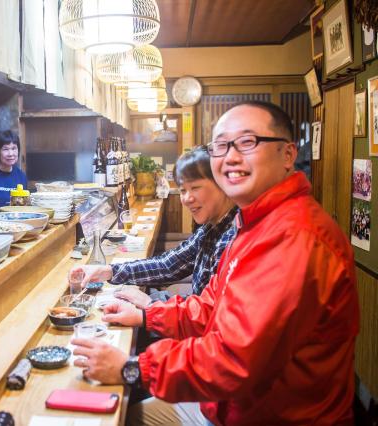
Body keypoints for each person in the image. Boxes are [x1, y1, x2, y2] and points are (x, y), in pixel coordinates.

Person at [71, 101, 359, 425]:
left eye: (248, 142)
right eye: (221, 145)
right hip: (230, 405)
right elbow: (210, 307)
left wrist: (134, 367)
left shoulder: (293, 237)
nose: (231, 156)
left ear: (288, 155)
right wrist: (147, 313)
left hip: (275, 415)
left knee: (120, 414)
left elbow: (234, 359)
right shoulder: (253, 223)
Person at [70, 146, 237, 309]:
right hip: (186, 311)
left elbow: (210, 316)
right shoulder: (210, 227)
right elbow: (169, 265)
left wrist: (150, 305)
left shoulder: (231, 238)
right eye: (182, 190)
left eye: (195, 188)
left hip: (192, 323)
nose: (186, 199)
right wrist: (109, 271)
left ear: (222, 183)